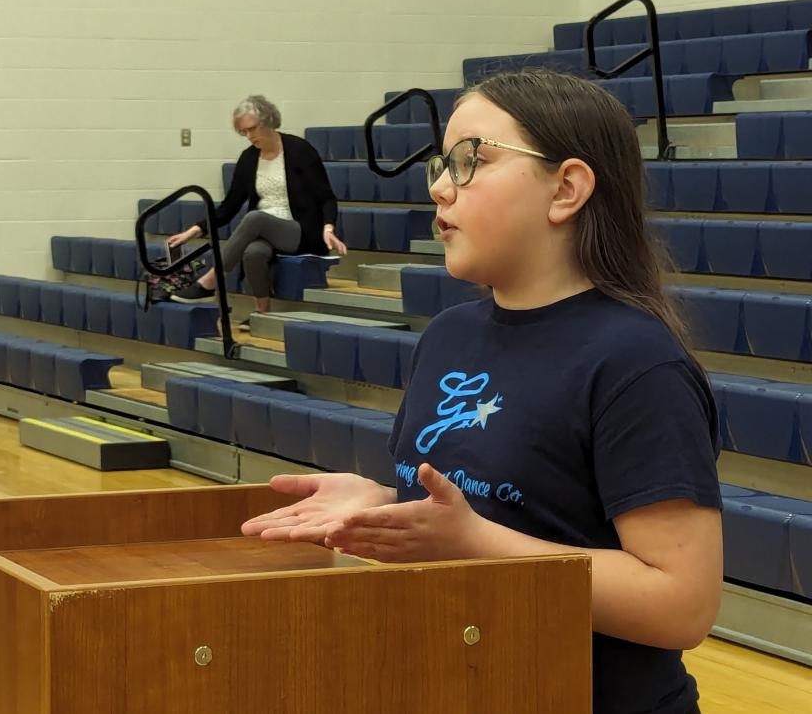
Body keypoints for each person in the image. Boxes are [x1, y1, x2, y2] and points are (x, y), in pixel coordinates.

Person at [242, 70, 723, 714]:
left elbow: (681, 604)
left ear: (567, 188)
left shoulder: (636, 363)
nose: (441, 186)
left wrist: (472, 543)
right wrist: (388, 503)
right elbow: (506, 509)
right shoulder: (449, 335)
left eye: (472, 160)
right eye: (443, 163)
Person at [168, 95, 348, 327]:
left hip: (299, 231)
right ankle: (262, 314)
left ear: (269, 121)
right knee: (253, 253)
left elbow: (326, 196)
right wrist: (193, 231)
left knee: (254, 218)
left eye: (253, 129)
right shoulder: (248, 158)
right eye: (244, 132)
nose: (250, 136)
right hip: (263, 231)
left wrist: (328, 227)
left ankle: (211, 280)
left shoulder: (299, 150)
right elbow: (229, 207)